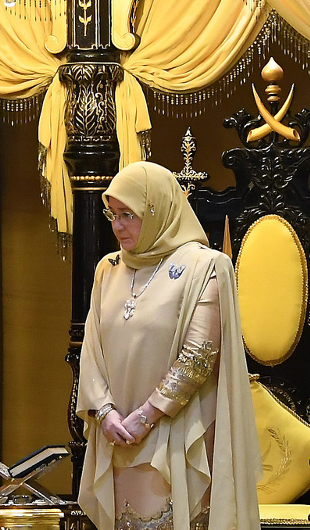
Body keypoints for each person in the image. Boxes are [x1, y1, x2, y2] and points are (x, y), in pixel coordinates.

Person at [76, 161, 261, 530]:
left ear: (157, 209)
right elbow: (91, 350)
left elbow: (198, 357)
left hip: (176, 432)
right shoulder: (107, 269)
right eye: (112, 214)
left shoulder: (205, 267)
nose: (117, 226)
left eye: (128, 214)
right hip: (116, 436)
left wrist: (146, 417)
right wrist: (105, 412)